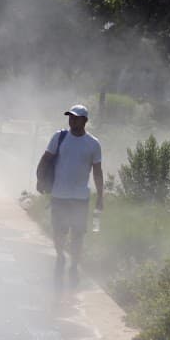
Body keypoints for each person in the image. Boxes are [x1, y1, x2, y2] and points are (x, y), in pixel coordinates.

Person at [35, 104, 104, 287]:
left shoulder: (93, 144)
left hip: (80, 197)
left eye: (76, 117)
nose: (72, 120)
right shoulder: (59, 137)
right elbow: (46, 158)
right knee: (59, 230)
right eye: (70, 117)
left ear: (85, 121)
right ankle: (60, 256)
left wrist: (101, 195)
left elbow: (97, 172)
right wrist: (40, 179)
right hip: (59, 194)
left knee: (78, 233)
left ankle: (74, 264)